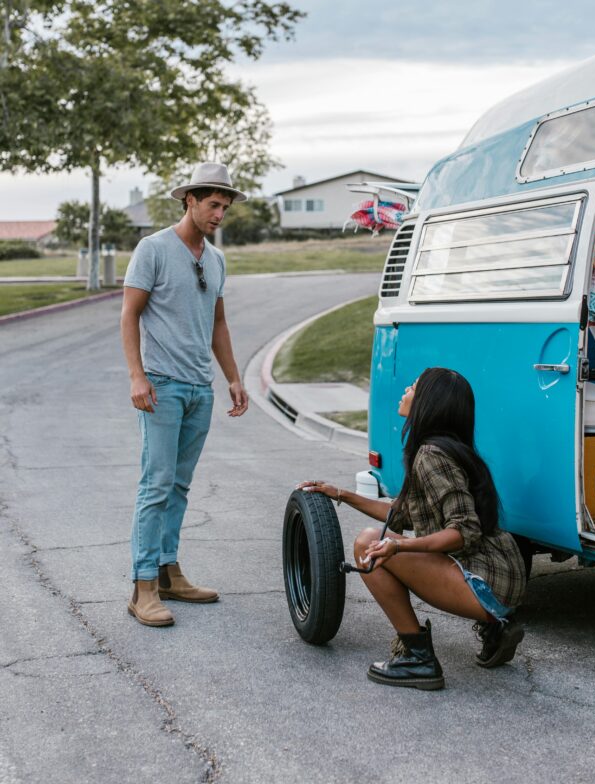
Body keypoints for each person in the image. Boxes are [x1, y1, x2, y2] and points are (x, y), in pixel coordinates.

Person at [299, 366, 527, 690]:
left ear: (429, 403)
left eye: (415, 387)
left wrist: (401, 547)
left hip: (486, 583)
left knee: (367, 545)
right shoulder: (444, 449)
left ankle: (417, 657)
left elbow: (464, 530)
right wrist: (341, 494)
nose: (406, 389)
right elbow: (400, 514)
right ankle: (495, 629)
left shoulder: (432, 455)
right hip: (503, 574)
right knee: (378, 541)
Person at [121, 161, 249, 628]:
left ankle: (169, 571)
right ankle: (143, 587)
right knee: (155, 485)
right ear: (189, 200)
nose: (219, 214)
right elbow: (129, 315)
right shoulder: (152, 249)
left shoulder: (215, 259)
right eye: (213, 204)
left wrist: (233, 377)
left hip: (200, 388)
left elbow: (217, 322)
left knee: (178, 485)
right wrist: (137, 377)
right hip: (163, 385)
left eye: (225, 206)